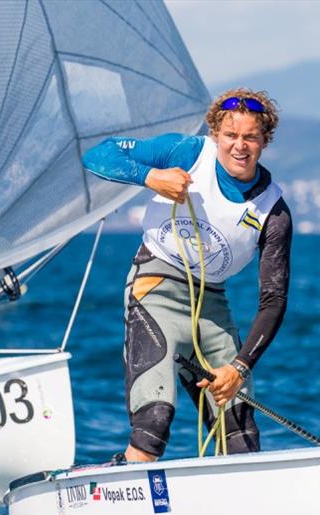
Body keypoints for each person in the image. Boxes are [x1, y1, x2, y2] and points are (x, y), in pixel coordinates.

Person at [83, 88, 293, 462]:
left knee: (241, 438)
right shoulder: (188, 153)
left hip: (210, 308)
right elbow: (98, 156)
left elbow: (273, 300)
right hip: (156, 290)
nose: (239, 146)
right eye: (231, 136)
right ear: (216, 135)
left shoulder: (273, 212)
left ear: (265, 141)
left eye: (250, 137)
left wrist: (238, 368)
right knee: (154, 423)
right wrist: (150, 177)